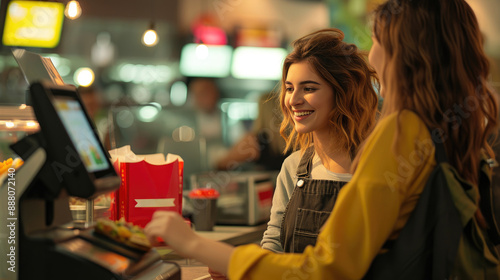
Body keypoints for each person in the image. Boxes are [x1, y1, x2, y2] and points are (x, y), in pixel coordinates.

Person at [144, 0, 500, 278]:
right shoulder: (457, 132)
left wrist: (192, 243)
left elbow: (327, 269)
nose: (372, 56)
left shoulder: (401, 133)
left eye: (377, 42)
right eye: (289, 88)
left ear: (405, 53)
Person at [258, 28, 379, 254]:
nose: (293, 100)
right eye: (289, 88)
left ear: (343, 92)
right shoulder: (293, 167)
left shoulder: (378, 165)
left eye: (309, 88)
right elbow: (274, 243)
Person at [215, 92, 289, 171]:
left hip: (264, 183)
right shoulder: (293, 139)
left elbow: (221, 164)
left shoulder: (254, 141)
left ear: (260, 111)